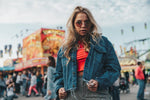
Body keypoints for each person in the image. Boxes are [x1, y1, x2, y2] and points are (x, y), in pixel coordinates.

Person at [54, 6, 121, 100]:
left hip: (97, 93)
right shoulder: (65, 48)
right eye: (79, 22)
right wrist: (59, 88)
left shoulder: (102, 42)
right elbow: (58, 74)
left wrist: (100, 82)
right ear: (73, 25)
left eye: (87, 22)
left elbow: (114, 68)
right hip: (72, 94)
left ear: (91, 24)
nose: (83, 25)